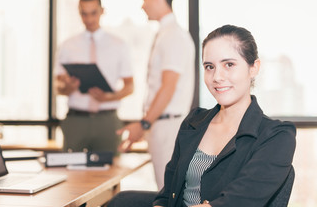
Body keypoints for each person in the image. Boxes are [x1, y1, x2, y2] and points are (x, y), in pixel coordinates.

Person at [108, 25, 296, 207]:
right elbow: (168, 193)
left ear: (253, 68)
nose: (217, 77)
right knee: (120, 201)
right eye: (209, 67)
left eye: (229, 64)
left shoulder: (277, 136)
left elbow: (240, 200)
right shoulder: (194, 122)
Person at [117, 0, 195, 189]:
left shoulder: (173, 36)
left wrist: (143, 123)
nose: (142, 5)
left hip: (167, 127)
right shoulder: (165, 34)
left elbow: (168, 87)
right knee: (165, 190)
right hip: (161, 125)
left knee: (168, 193)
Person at [55, 0, 134, 154]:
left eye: (93, 13)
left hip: (107, 121)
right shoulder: (67, 46)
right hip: (76, 121)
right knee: (71, 175)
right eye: (84, 14)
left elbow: (130, 86)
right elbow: (58, 87)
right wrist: (69, 86)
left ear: (102, 11)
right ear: (79, 13)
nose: (89, 19)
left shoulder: (119, 45)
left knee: (110, 174)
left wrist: (109, 97)